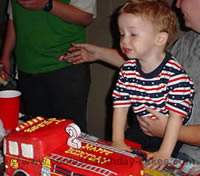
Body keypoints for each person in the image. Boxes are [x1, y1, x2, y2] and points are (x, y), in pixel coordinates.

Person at [61, 0, 200, 163]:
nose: (124, 41)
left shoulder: (176, 74)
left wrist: (165, 147)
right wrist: (117, 140)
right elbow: (122, 102)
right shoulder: (188, 43)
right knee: (120, 162)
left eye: (132, 34)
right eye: (122, 34)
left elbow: (176, 115)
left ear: (160, 38)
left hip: (172, 139)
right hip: (140, 126)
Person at [0, 0, 96, 133]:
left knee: (70, 134)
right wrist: (5, 55)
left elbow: (85, 17)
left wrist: (47, 4)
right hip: (27, 66)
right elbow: (13, 17)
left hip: (66, 66)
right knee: (37, 132)